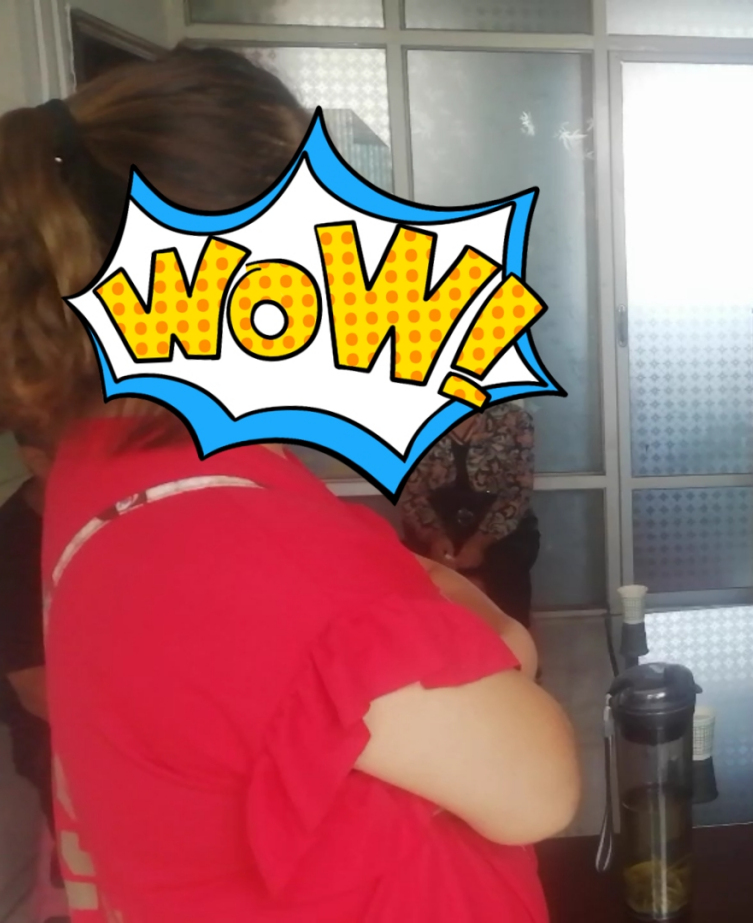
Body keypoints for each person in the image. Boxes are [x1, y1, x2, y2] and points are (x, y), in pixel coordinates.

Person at [0, 48, 579, 921]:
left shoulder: (111, 466)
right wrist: (490, 627)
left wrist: (441, 603)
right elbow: (539, 787)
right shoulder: (231, 550)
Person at [0, 430, 69, 922]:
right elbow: (38, 694)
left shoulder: (117, 514)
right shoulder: (12, 548)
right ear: (35, 458)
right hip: (50, 729)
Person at [398, 402, 541, 626]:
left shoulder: (514, 419)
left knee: (505, 589)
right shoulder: (414, 421)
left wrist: (480, 542)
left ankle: (515, 644)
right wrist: (435, 537)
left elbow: (518, 491)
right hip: (435, 524)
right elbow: (412, 495)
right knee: (425, 594)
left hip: (501, 530)